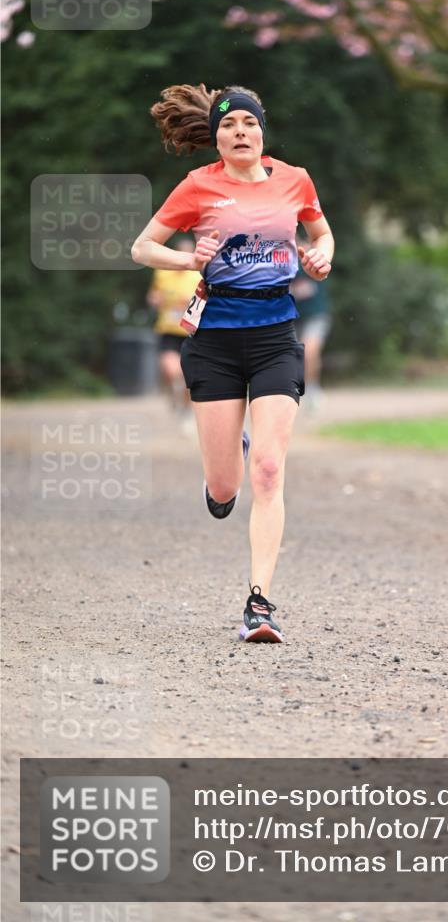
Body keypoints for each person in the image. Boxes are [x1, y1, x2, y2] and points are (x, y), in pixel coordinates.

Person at [131, 84, 334, 643]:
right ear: (216, 137)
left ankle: (260, 604)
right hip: (215, 340)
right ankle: (224, 472)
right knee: (226, 489)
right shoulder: (198, 186)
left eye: (248, 122)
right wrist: (185, 257)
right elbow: (142, 247)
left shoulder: (295, 179)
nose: (239, 131)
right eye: (228, 124)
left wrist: (321, 257)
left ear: (262, 130)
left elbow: (320, 230)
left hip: (275, 335)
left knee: (269, 470)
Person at [146, 236, 200, 426]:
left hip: (189, 332)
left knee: (186, 376)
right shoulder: (163, 273)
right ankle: (172, 395)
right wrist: (155, 300)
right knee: (170, 370)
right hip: (168, 330)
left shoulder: (198, 277)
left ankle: (185, 409)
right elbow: (154, 295)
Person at [290, 263, 332, 413]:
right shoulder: (281, 258)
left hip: (315, 316)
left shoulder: (316, 259)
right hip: (291, 317)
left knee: (310, 353)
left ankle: (312, 389)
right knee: (290, 357)